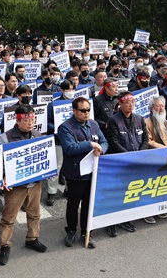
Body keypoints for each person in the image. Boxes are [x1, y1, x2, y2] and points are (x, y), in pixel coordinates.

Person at [0, 105, 48, 266]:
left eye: (33, 119)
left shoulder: (37, 134)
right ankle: (5, 245)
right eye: (26, 120)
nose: (31, 123)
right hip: (15, 185)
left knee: (34, 213)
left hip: (34, 183)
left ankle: (32, 238)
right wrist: (2, 177)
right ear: (18, 121)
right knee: (9, 217)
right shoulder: (6, 138)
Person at [58, 97, 108, 249]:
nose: (87, 113)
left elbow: (104, 142)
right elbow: (70, 148)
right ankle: (71, 230)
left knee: (88, 203)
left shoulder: (93, 124)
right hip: (75, 173)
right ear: (74, 111)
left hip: (92, 172)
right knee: (73, 204)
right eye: (83, 110)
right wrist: (91, 144)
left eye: (88, 110)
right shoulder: (65, 127)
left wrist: (101, 149)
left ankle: (86, 232)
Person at [105, 91, 149, 232]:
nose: (131, 105)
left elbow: (145, 139)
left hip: (137, 162)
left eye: (133, 102)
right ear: (120, 104)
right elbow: (113, 142)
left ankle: (125, 219)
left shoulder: (139, 119)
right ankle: (111, 222)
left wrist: (139, 154)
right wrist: (129, 157)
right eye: (127, 102)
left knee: (130, 191)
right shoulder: (114, 120)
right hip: (120, 163)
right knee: (117, 193)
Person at [45, 80, 75, 205]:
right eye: (68, 90)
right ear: (62, 90)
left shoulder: (76, 103)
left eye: (73, 89)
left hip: (73, 139)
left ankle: (69, 189)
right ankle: (51, 192)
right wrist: (57, 127)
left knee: (71, 166)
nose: (71, 92)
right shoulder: (53, 105)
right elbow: (47, 122)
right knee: (56, 167)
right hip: (58, 140)